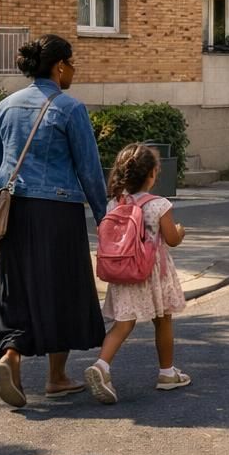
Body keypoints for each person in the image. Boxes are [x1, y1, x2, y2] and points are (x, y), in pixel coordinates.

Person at [0, 33, 108, 408]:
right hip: (58, 211)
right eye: (72, 63)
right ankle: (56, 377)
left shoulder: (6, 106)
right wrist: (104, 218)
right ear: (59, 66)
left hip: (13, 210)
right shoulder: (70, 108)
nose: (74, 70)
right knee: (63, 289)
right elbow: (89, 169)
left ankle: (11, 357)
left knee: (16, 289)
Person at [84, 144, 189, 403]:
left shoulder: (113, 204)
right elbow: (172, 239)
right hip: (153, 273)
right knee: (163, 321)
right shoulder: (159, 205)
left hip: (125, 271)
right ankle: (167, 373)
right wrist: (181, 230)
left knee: (123, 324)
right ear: (152, 174)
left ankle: (101, 366)